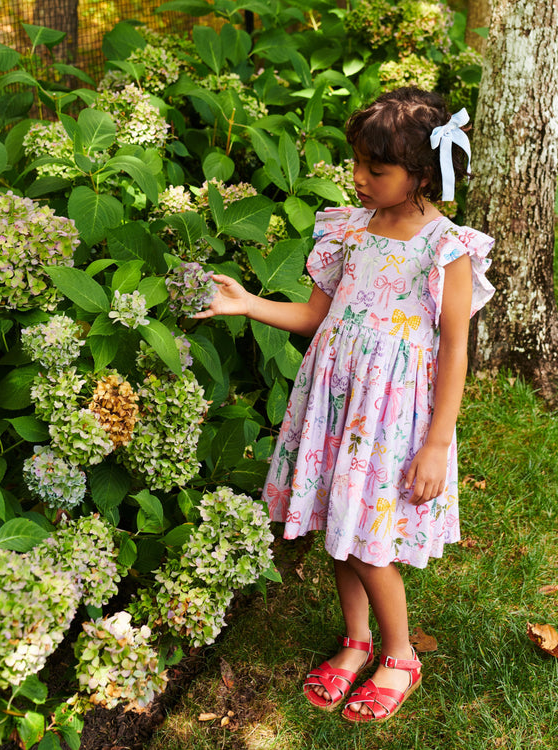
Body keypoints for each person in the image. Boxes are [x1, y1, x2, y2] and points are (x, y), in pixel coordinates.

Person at [194, 87, 495, 723]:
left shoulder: (447, 249)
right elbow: (313, 315)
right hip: (336, 405)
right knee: (340, 525)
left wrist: (438, 443)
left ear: (420, 175)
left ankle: (400, 653)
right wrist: (248, 303)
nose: (357, 178)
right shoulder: (348, 231)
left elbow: (455, 351)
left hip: (392, 416)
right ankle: (356, 640)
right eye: (356, 162)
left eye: (374, 170)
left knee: (369, 543)